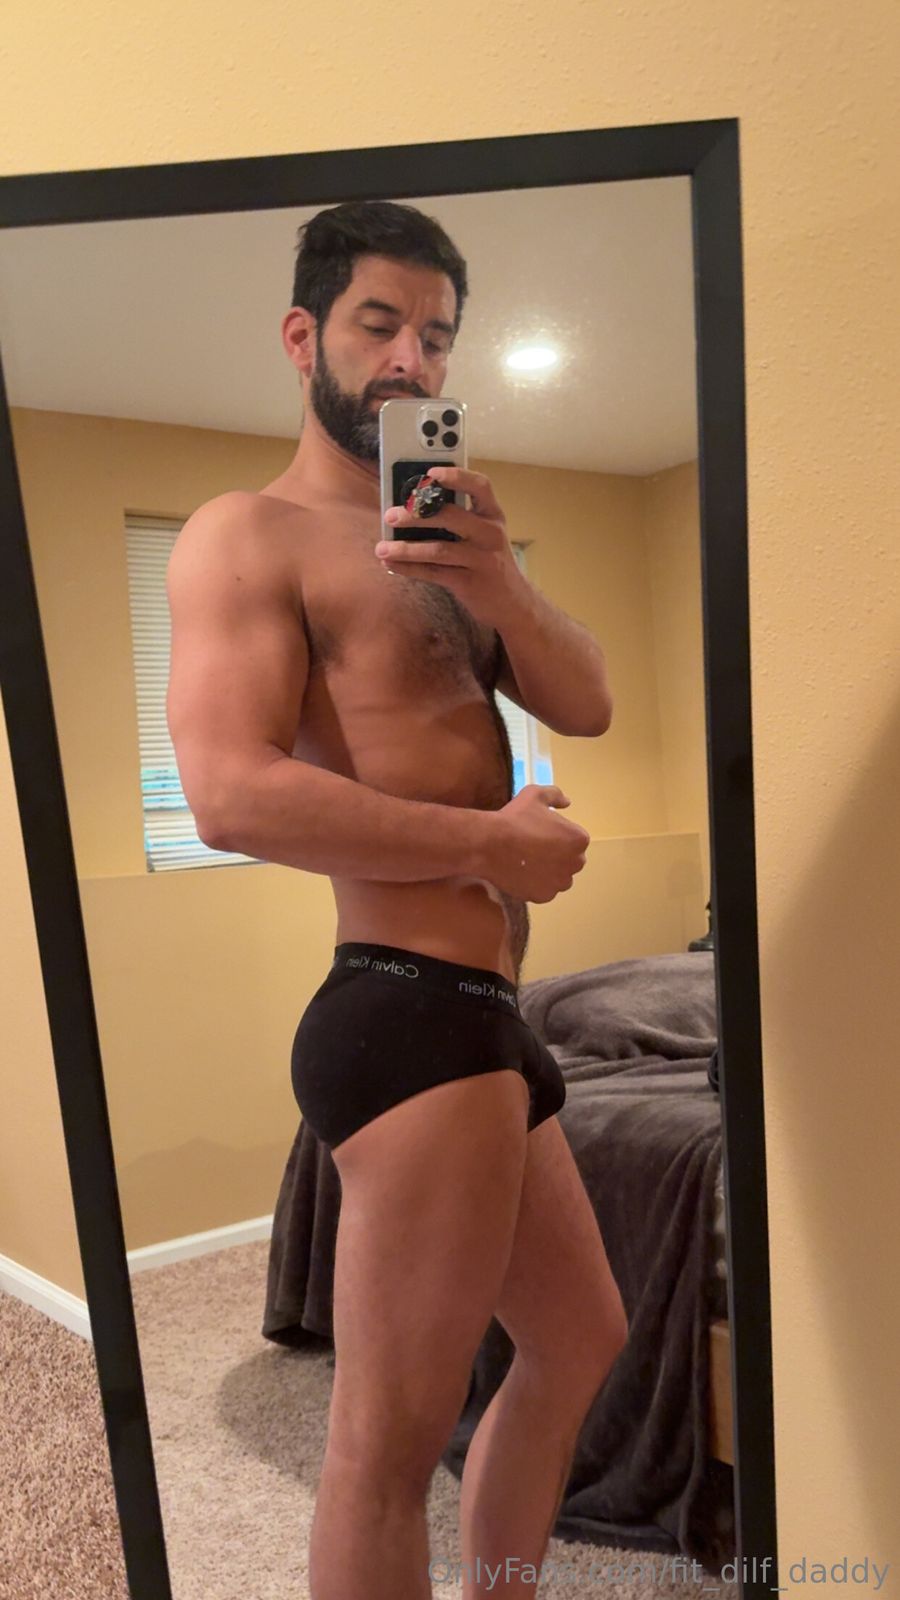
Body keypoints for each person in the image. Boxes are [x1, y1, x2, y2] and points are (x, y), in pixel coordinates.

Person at [166, 199, 629, 1599]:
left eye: (435, 337)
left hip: (486, 1014)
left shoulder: (443, 545)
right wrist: (489, 844)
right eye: (379, 324)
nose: (409, 361)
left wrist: (502, 581)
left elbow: (589, 701)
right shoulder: (247, 535)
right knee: (380, 1451)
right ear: (303, 335)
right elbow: (230, 794)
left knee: (580, 1340)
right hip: (407, 1009)